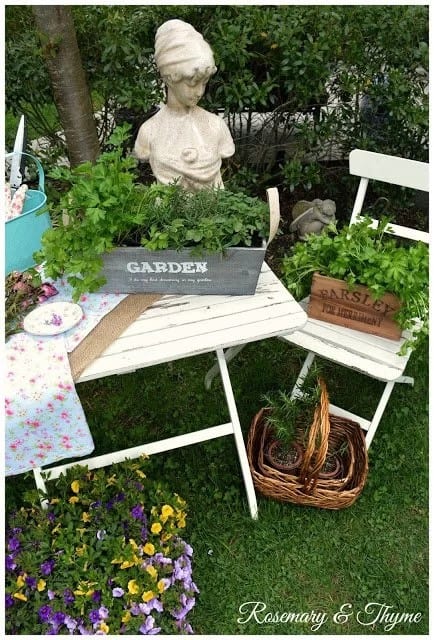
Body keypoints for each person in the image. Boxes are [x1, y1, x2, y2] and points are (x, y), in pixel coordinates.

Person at [134, 19, 235, 191]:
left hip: (213, 214)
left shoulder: (215, 126)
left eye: (204, 83)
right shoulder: (150, 131)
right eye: (192, 84)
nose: (199, 92)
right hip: (166, 217)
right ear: (169, 78)